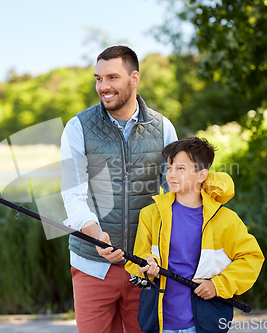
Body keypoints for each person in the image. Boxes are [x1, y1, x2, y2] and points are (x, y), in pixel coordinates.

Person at [61, 45, 178, 332]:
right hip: (92, 265)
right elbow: (72, 195)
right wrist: (95, 235)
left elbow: (175, 196)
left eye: (112, 77)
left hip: (144, 266)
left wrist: (157, 252)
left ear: (134, 78)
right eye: (98, 79)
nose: (104, 87)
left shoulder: (163, 128)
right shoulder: (77, 127)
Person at [125, 137, 264, 333]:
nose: (172, 174)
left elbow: (251, 258)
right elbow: (139, 258)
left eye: (180, 168)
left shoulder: (226, 219)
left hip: (204, 323)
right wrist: (148, 265)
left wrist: (218, 286)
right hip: (159, 322)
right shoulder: (150, 214)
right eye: (169, 167)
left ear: (201, 175)